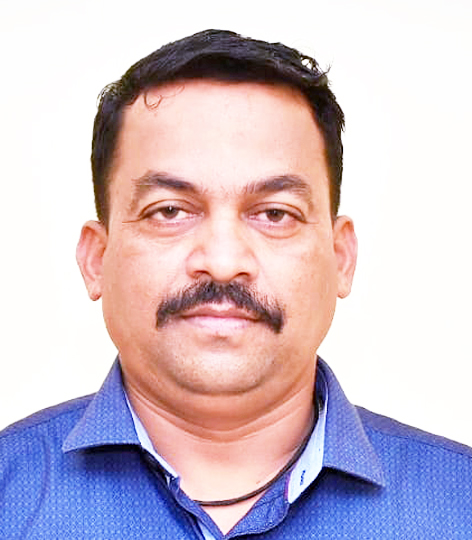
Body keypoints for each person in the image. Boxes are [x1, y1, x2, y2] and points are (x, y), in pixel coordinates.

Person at [1, 29, 471, 539]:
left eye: (275, 213)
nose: (224, 263)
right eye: (169, 211)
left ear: (341, 257)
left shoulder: (458, 504)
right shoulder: (11, 495)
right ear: (96, 258)